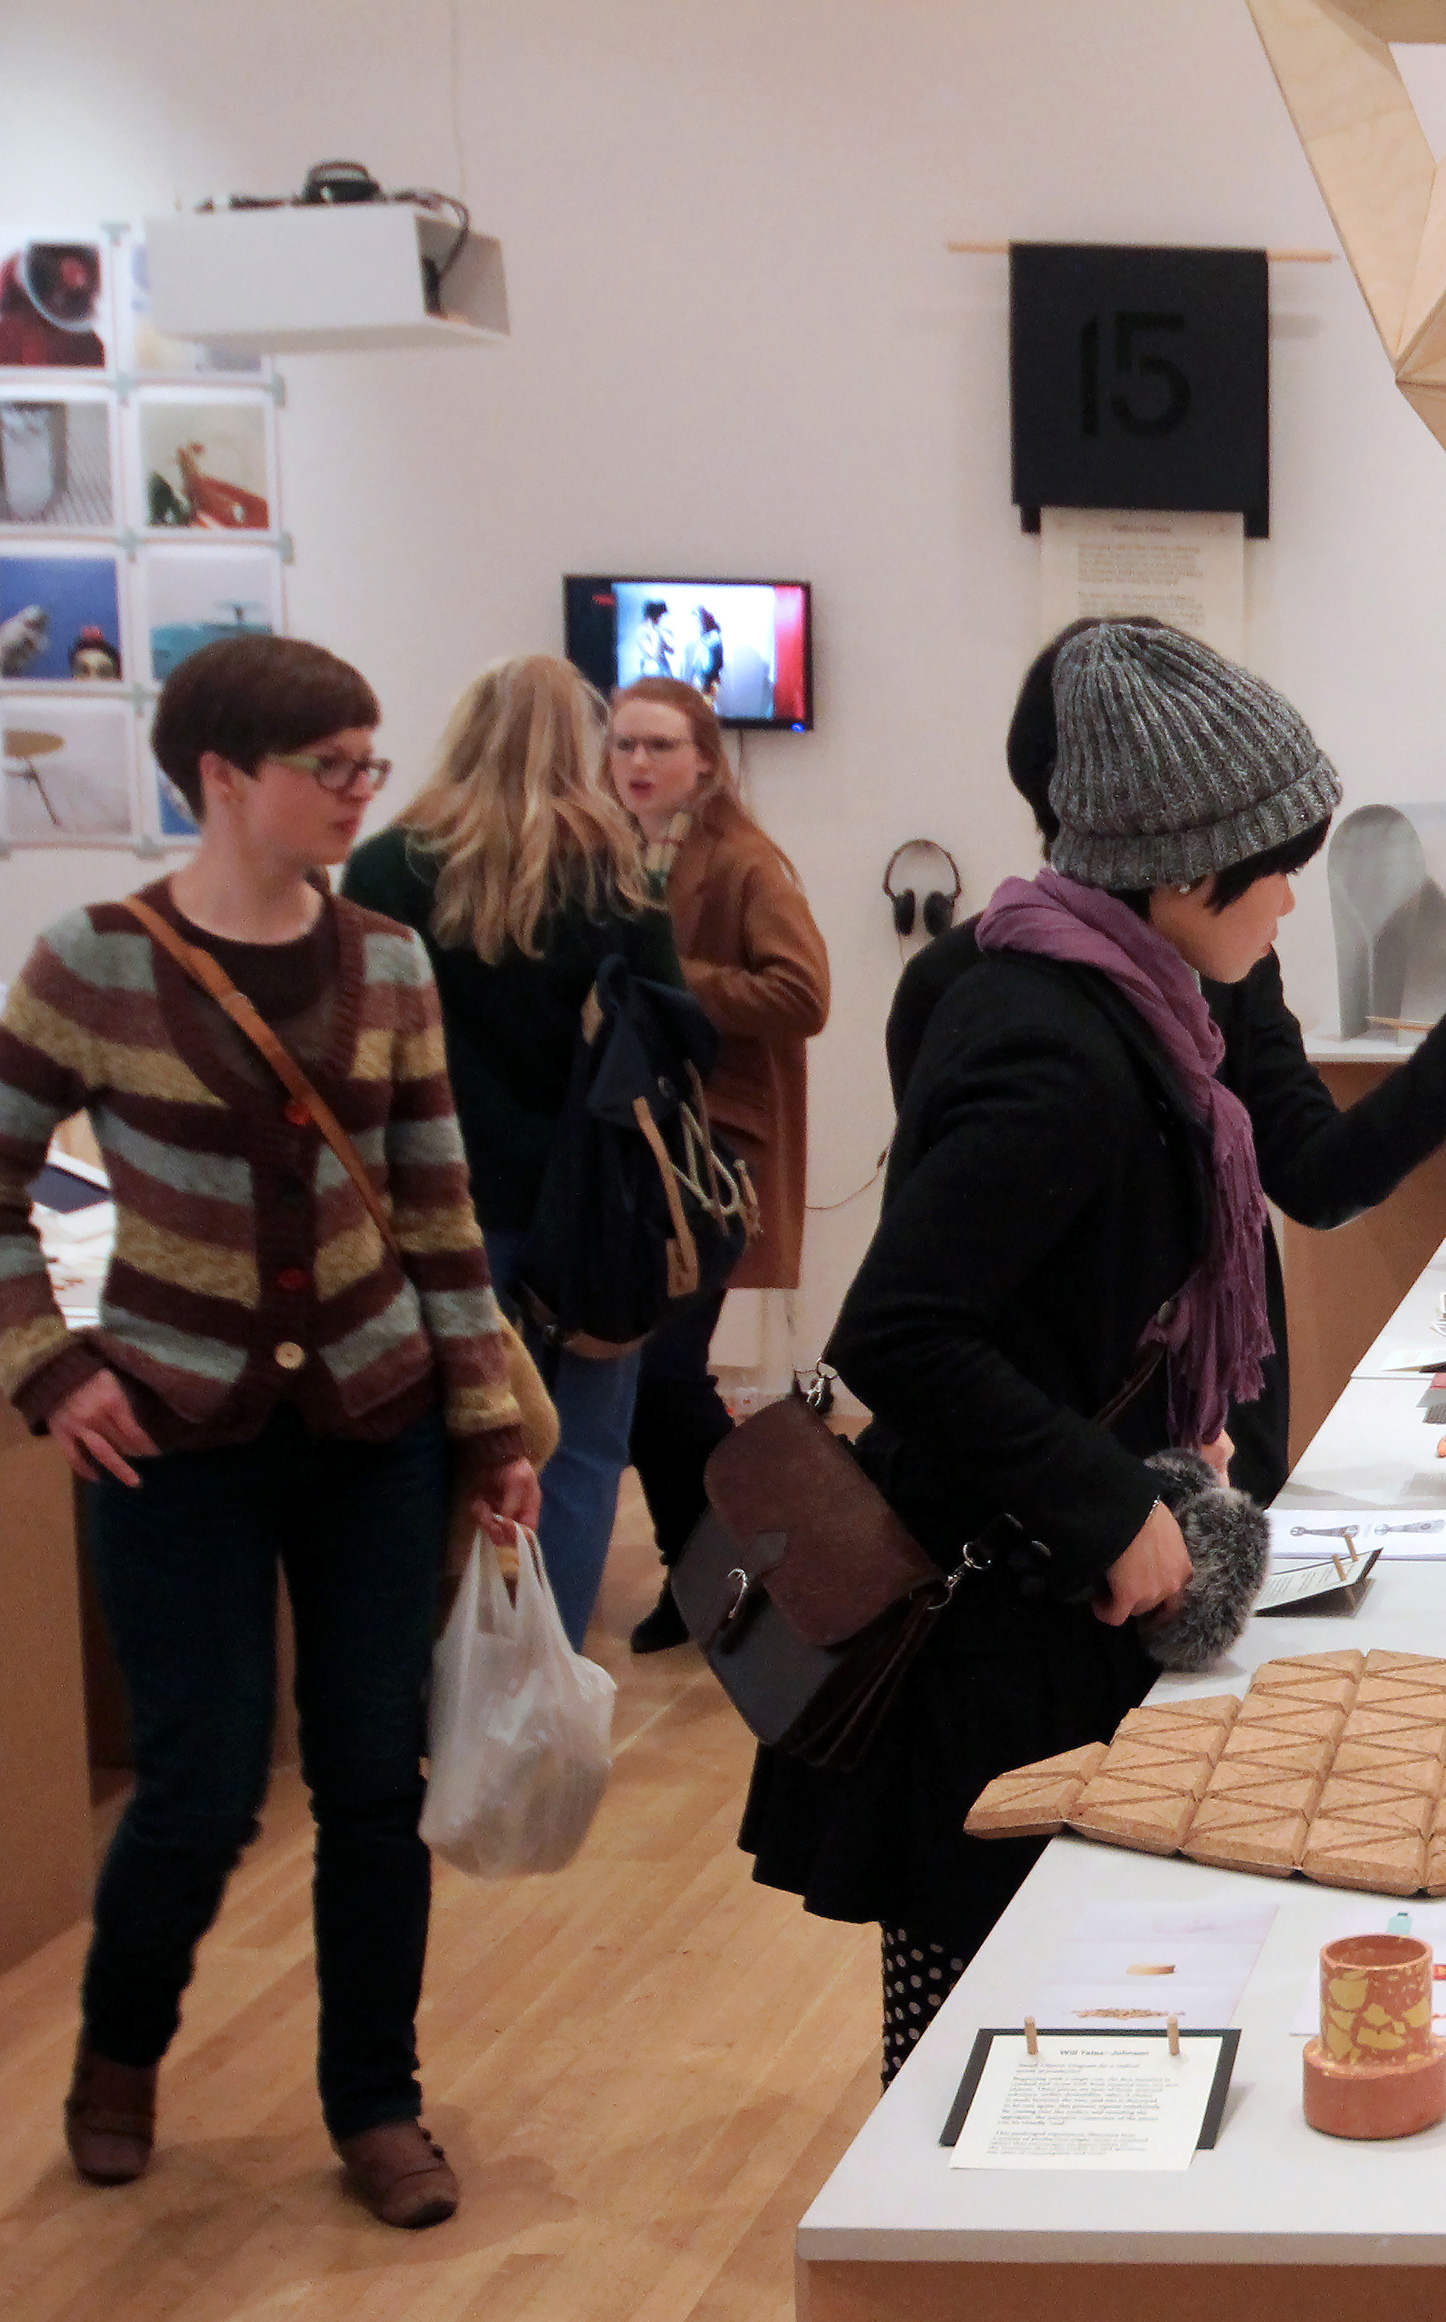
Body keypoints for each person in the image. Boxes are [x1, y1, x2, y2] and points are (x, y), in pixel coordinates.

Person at [738, 619, 1446, 2079]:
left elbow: (1293, 1179)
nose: (1294, 894)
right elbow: (900, 1330)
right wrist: (1109, 1500)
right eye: (1276, 863)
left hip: (1087, 1580)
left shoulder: (1157, 986)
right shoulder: (1046, 1039)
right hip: (1003, 1614)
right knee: (983, 2042)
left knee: (1095, 2002)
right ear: (1178, 865)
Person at [0, 634, 540, 2227]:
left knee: (373, 1780)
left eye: (371, 763)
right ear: (222, 777)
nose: (361, 793)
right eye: (332, 767)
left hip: (375, 1426)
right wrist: (54, 1368)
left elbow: (439, 1214)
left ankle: (377, 2102)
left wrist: (490, 1427)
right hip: (175, 1435)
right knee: (203, 1786)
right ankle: (119, 2054)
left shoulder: (389, 961)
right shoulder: (92, 962)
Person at [343, 657, 686, 1647]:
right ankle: (541, 1669)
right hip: (594, 1217)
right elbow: (674, 1036)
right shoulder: (618, 874)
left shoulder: (388, 867)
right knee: (582, 1452)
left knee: (442, 1453)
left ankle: (432, 1680)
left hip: (433, 1210)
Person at [603, 676, 831, 1654]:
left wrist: (668, 981)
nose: (637, 762)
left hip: (713, 1155)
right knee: (647, 1371)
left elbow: (803, 993)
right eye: (623, 744)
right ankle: (719, 1579)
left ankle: (728, 1577)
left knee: (660, 1372)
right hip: (636, 1148)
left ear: (704, 758)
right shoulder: (608, 857)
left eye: (659, 745)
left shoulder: (741, 863)